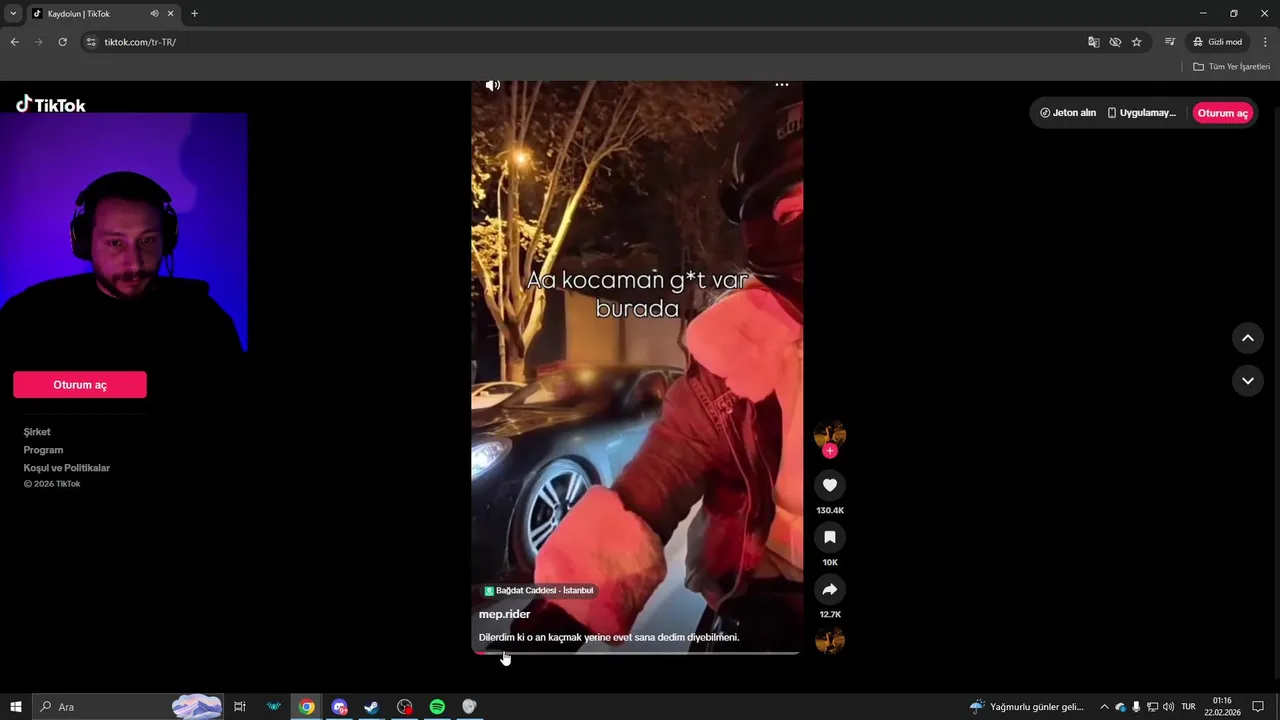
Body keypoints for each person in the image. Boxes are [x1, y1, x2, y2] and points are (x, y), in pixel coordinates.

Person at [502, 85, 805, 653]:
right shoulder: (731, 364)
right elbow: (650, 489)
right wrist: (549, 626)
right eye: (795, 212)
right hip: (761, 610)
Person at [0, 171, 242, 360]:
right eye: (115, 243)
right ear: (84, 242)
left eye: (147, 240)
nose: (134, 263)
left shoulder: (205, 320)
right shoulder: (31, 317)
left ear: (167, 240)